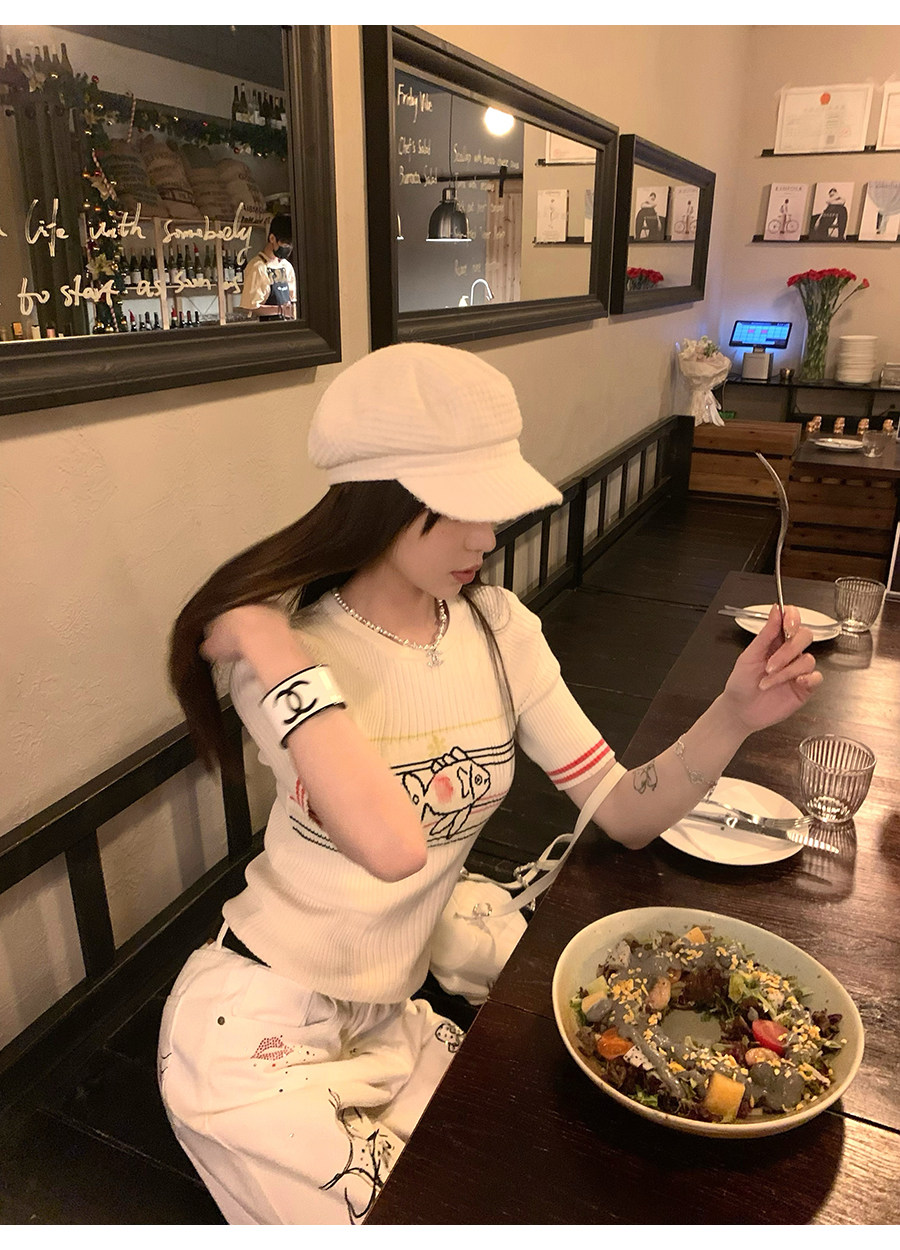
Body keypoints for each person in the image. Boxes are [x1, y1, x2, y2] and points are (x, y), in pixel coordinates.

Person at [158, 343, 822, 1225]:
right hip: (255, 1028)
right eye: (456, 507)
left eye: (492, 504)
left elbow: (625, 814)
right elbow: (394, 845)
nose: (485, 536)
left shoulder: (500, 629)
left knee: (530, 1183)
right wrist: (268, 640)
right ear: (377, 497)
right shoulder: (292, 665)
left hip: (388, 1024)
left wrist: (734, 713)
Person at [239, 212, 297, 321]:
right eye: (285, 245)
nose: (287, 249)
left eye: (290, 246)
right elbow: (251, 307)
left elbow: (293, 299)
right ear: (272, 238)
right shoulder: (257, 267)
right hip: (268, 327)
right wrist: (280, 310)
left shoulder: (287, 266)